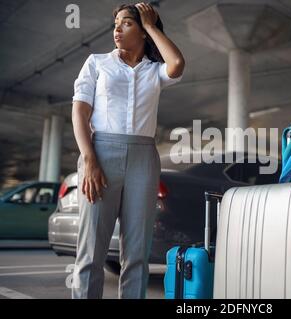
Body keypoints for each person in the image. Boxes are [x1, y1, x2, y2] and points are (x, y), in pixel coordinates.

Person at [71, 2, 185, 299]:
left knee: (136, 254)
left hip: (143, 160)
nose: (117, 29)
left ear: (144, 32)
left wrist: (150, 24)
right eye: (116, 24)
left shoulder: (154, 71)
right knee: (91, 253)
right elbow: (79, 113)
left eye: (127, 23)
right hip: (100, 156)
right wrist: (89, 159)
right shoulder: (97, 63)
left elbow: (177, 64)